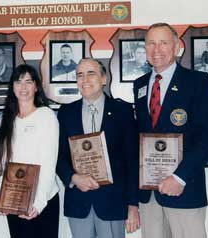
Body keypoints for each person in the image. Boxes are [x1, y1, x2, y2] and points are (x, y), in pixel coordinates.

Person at [133, 23, 208, 238]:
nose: (156, 49)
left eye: (163, 43)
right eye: (151, 43)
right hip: (149, 194)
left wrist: (179, 177)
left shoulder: (198, 81)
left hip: (184, 189)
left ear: (177, 46)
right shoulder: (140, 85)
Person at [56, 58, 140, 238]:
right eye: (79, 75)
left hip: (113, 202)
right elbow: (58, 156)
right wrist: (73, 178)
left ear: (104, 79)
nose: (84, 79)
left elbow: (132, 161)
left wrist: (133, 205)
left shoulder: (122, 111)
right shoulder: (66, 113)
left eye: (90, 74)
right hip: (79, 201)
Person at [0, 64, 60, 238]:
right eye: (19, 81)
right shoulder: (3, 120)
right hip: (14, 199)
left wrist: (37, 203)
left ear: (36, 87)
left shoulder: (46, 116)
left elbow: (49, 162)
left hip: (42, 201)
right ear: (12, 87)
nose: (23, 87)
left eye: (29, 82)